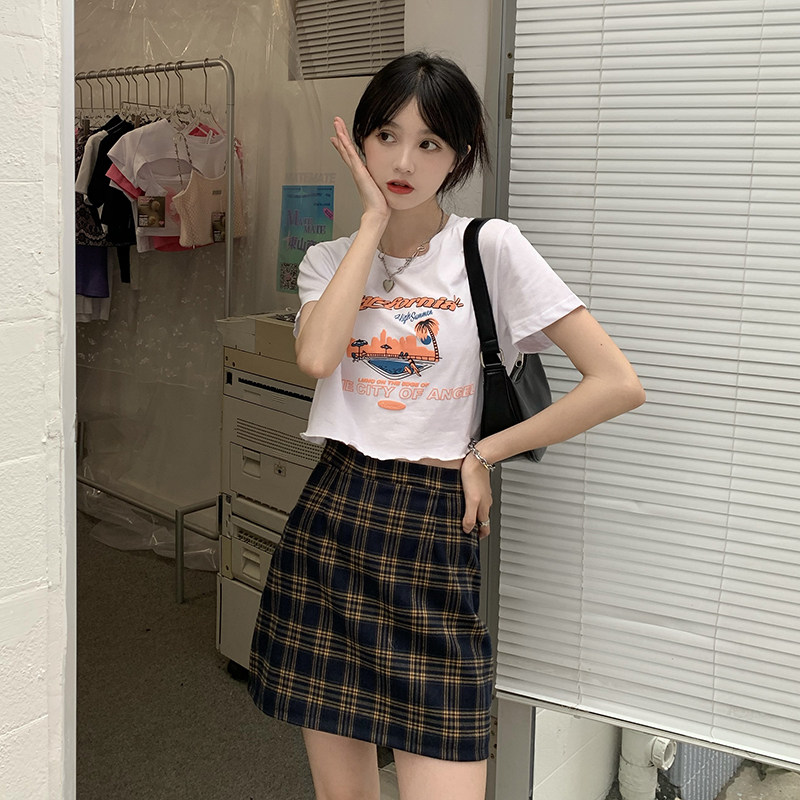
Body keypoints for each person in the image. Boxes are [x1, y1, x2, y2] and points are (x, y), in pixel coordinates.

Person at [249, 52, 645, 800]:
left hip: (432, 525)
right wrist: (371, 223)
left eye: (429, 143)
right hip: (336, 514)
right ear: (359, 142)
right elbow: (316, 357)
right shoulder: (328, 259)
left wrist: (484, 452)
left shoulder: (489, 249)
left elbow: (617, 383)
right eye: (387, 136)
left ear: (459, 155)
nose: (404, 162)